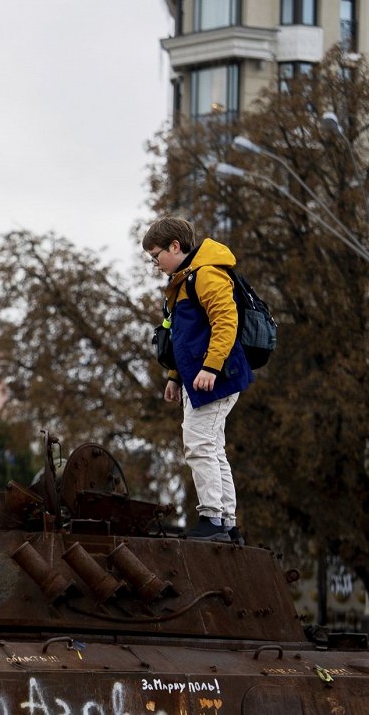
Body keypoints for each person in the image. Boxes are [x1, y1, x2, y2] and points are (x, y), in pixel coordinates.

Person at [143, 217, 252, 543]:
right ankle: (227, 523)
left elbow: (225, 320)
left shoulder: (205, 274)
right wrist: (175, 376)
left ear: (175, 246)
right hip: (201, 378)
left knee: (199, 445)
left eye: (156, 255)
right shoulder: (185, 280)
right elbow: (184, 338)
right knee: (213, 449)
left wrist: (211, 368)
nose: (155, 264)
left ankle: (212, 519)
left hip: (215, 378)